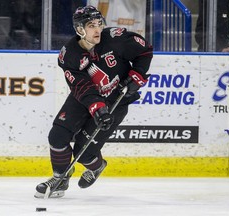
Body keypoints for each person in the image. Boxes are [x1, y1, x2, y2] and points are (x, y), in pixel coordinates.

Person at [34, 5, 153, 198]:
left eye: (99, 24)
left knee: (84, 151)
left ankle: (97, 167)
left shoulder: (115, 39)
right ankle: (60, 178)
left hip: (117, 99)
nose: (97, 29)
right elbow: (81, 87)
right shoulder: (69, 54)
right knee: (57, 136)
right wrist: (97, 107)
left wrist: (137, 75)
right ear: (80, 29)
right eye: (91, 25)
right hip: (84, 99)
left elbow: (145, 50)